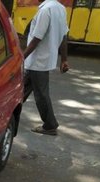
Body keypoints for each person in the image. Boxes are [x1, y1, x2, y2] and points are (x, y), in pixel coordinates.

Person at [23, 0, 69, 136]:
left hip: (38, 60)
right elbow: (64, 35)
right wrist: (64, 59)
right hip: (41, 60)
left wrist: (21, 57)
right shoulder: (60, 8)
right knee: (21, 88)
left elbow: (37, 38)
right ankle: (8, 113)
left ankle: (50, 125)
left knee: (41, 94)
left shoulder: (45, 11)